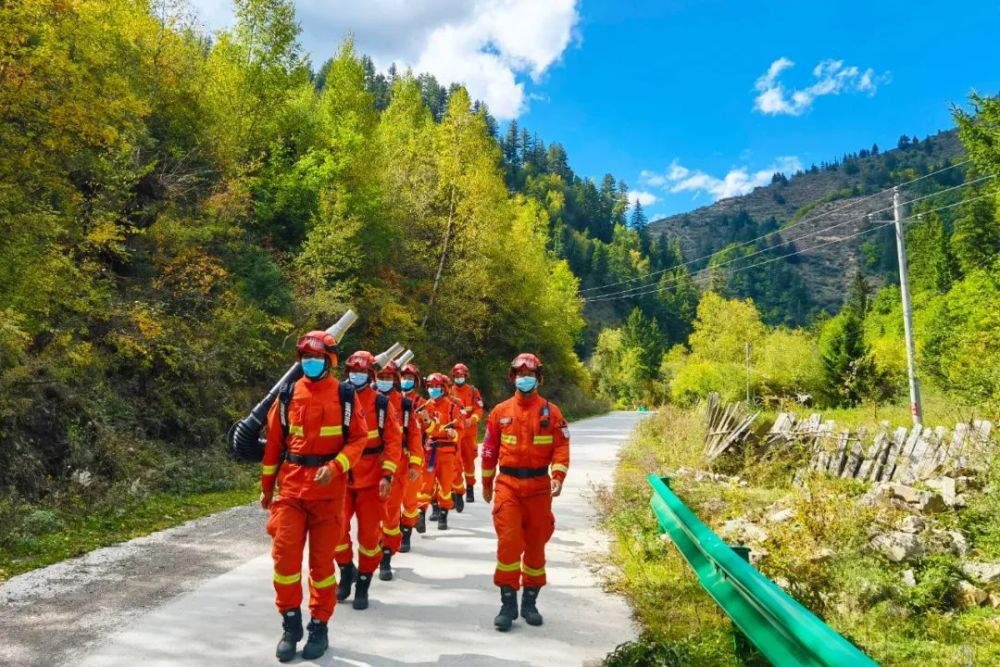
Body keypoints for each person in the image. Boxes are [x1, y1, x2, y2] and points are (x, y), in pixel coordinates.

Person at [260, 330, 370, 662]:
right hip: (291, 490)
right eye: (305, 357)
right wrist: (267, 488)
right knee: (285, 561)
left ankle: (319, 626)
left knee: (322, 566)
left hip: (328, 493)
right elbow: (275, 446)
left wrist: (336, 467)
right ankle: (291, 625)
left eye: (317, 357)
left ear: (330, 360)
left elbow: (358, 441)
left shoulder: (345, 397)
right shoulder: (288, 394)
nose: (310, 362)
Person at [481, 353, 570, 632]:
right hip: (507, 485)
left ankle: (529, 602)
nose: (524, 377)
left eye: (529, 373)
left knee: (534, 547)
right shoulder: (500, 412)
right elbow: (489, 449)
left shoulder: (552, 413)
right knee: (508, 543)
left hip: (539, 488)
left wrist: (558, 476)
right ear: (512, 377)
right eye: (519, 373)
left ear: (538, 378)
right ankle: (507, 603)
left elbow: (561, 448)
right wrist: (485, 483)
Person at [334, 351, 402, 610]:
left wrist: (387, 474)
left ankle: (363, 583)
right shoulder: (339, 398)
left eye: (362, 371)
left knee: (369, 538)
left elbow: (394, 442)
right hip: (342, 477)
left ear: (370, 375)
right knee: (335, 532)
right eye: (353, 370)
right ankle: (345, 571)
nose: (357, 375)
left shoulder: (382, 404)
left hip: (372, 480)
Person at [375, 360, 424, 580]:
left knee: (391, 514)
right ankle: (373, 551)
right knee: (371, 515)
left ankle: (386, 556)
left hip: (398, 465)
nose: (384, 381)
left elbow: (414, 436)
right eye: (381, 377)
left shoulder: (404, 405)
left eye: (388, 377)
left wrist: (415, 464)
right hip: (369, 465)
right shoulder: (365, 400)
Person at [417, 373, 465, 530]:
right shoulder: (424, 407)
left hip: (447, 454)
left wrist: (452, 433)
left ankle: (443, 514)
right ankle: (421, 515)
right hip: (430, 453)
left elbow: (459, 428)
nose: (433, 390)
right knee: (425, 486)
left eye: (436, 387)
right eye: (430, 387)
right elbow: (422, 430)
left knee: (445, 486)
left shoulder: (452, 407)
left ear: (443, 388)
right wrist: (431, 426)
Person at [400, 363, 432, 535]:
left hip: (415, 453)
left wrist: (425, 420)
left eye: (410, 378)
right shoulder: (391, 400)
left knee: (411, 497)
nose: (406, 381)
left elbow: (432, 428)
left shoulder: (423, 403)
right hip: (394, 454)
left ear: (416, 381)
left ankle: (406, 532)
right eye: (404, 377)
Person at [449, 363, 485, 505]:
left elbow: (479, 409)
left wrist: (473, 419)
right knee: (453, 462)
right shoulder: (449, 391)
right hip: (455, 432)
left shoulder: (473, 391)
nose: (459, 378)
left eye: (461, 375)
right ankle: (453, 490)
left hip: (469, 433)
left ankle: (470, 487)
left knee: (469, 461)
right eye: (457, 376)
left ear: (466, 376)